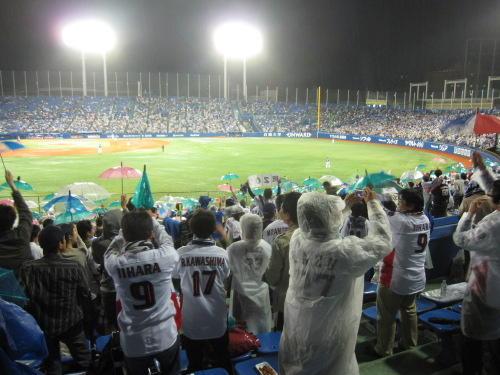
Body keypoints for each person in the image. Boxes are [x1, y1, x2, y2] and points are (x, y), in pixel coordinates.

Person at [279, 189, 392, 374]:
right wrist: (373, 204)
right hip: (331, 335)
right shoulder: (345, 253)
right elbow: (382, 240)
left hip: (298, 326)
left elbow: (318, 226)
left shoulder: (297, 240)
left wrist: (343, 209)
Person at [104, 209, 180, 375]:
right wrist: (152, 221)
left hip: (133, 340)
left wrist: (123, 233)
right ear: (150, 233)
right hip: (165, 334)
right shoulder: (165, 256)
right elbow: (166, 239)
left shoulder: (115, 264)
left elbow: (109, 251)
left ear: (125, 237)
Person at [19, 225, 93, 375]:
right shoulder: (73, 266)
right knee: (85, 361)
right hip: (72, 323)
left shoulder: (28, 268)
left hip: (44, 325)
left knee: (53, 365)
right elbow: (85, 293)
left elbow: (23, 298)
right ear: (61, 244)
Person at [453, 151, 500, 375]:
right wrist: (481, 169)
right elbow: (495, 191)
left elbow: (461, 239)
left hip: (487, 290)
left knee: (474, 343)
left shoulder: (493, 226)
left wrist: (469, 214)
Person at [371, 188, 430, 357]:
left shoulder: (401, 221)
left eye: (402, 201)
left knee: (386, 316)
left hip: (395, 277)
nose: (399, 203)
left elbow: (379, 216)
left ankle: (384, 349)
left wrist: (372, 200)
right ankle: (410, 343)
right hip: (417, 277)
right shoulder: (424, 218)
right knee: (409, 310)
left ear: (410, 205)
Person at [172, 209, 232, 374]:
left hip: (192, 321)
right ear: (214, 229)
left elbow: (175, 275)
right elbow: (225, 275)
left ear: (191, 229)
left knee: (195, 364)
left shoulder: (180, 254)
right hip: (217, 318)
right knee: (222, 360)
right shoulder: (222, 254)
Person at [263, 192, 301, 331]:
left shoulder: (282, 241)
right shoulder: (316, 235)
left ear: (287, 215)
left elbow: (272, 278)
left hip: (288, 301)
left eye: (282, 209)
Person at [228, 214, 272, 334]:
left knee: (242, 334)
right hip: (261, 295)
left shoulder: (234, 248)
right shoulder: (267, 247)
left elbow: (229, 270)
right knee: (261, 331)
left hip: (240, 295)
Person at [0, 170, 32, 275]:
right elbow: (25, 212)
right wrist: (12, 185)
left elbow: (25, 214)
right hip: (25, 286)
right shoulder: (22, 235)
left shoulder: (22, 234)